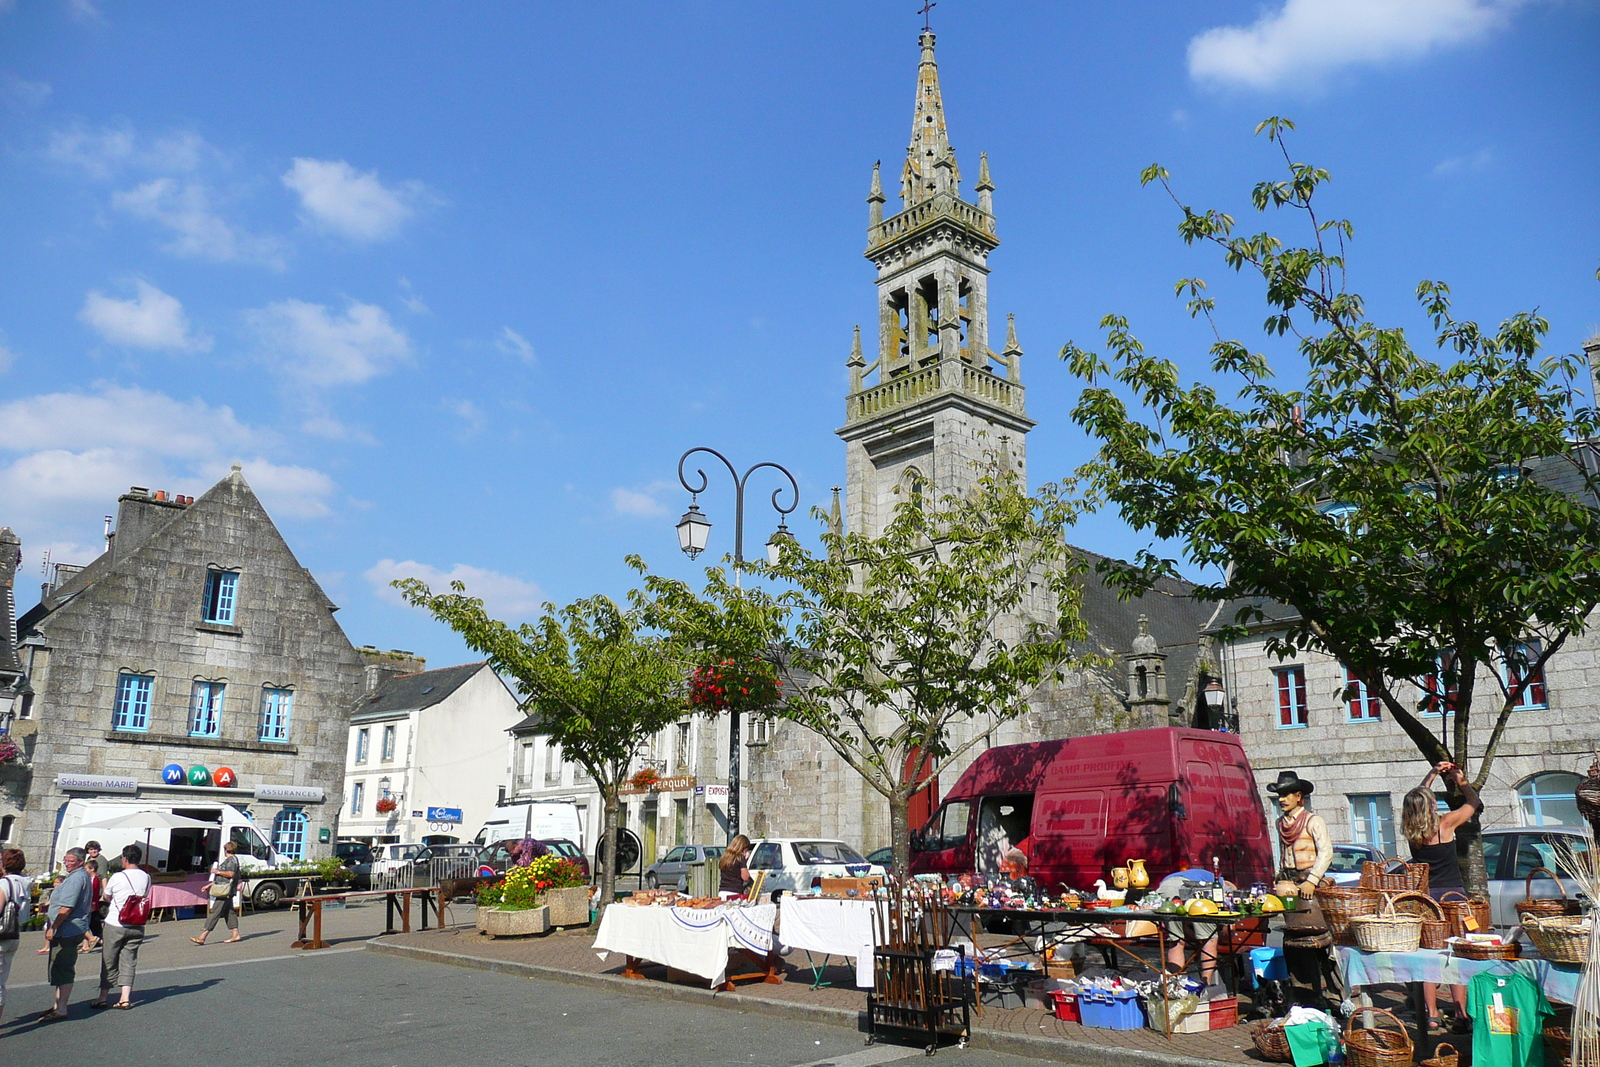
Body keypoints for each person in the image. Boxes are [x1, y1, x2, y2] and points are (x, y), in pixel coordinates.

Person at [1404, 761, 1483, 1032]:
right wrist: (1460, 781)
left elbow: (1417, 796)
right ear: (1431, 805)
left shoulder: (1411, 830)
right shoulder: (1445, 824)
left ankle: (1433, 1014)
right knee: (1455, 954)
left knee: (1430, 955)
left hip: (1426, 900)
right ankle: (1460, 1015)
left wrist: (1434, 773)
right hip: (1453, 896)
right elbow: (1474, 802)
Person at [1266, 770, 1337, 1009]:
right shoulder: (1280, 823)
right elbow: (1284, 855)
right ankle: (1302, 996)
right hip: (1289, 886)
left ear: (1299, 796)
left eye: (1286, 794)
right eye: (1280, 795)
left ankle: (1333, 994)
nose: (1282, 799)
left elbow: (1326, 852)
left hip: (1309, 885)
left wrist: (1313, 880)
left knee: (1316, 941)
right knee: (1292, 942)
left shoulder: (1313, 821)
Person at [1155, 863, 1238, 987]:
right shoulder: (1218, 881)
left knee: (1177, 940)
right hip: (1190, 890)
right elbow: (1227, 893)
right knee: (1208, 940)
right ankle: (1206, 986)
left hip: (1165, 889)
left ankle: (1175, 985)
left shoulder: (1195, 874)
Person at [94, 844, 152, 1010]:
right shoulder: (146, 877)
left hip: (116, 923)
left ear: (125, 859)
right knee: (129, 960)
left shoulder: (118, 877)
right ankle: (125, 998)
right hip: (137, 923)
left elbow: (107, 895)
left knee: (109, 960)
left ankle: (103, 996)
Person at [41, 845, 94, 1021]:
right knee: (58, 967)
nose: (67, 864)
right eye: (65, 860)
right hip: (70, 929)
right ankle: (58, 1004)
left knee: (63, 967)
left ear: (80, 862)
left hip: (68, 930)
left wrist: (53, 926)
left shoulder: (77, 878)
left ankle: (62, 1007)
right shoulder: (78, 876)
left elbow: (67, 908)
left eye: (71, 861)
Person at [0, 847, 32, 1027]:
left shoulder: (4, 883)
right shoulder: (24, 882)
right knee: (1, 980)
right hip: (13, 934)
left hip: (1, 935)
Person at [190, 840, 243, 945]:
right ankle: (235, 934)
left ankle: (203, 936)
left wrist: (217, 871)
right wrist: (209, 885)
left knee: (215, 912)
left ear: (226, 850)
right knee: (229, 912)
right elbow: (223, 878)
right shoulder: (232, 860)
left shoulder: (231, 860)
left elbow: (231, 874)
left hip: (225, 890)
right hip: (226, 889)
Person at [83, 840, 108, 951]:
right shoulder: (89, 859)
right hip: (90, 888)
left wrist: (105, 891)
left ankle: (97, 937)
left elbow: (103, 876)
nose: (93, 851)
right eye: (91, 849)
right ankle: (95, 937)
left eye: (95, 849)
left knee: (94, 916)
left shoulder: (100, 860)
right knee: (93, 916)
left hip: (96, 889)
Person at [717, 835, 752, 900]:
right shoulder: (740, 858)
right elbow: (745, 877)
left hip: (722, 892)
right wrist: (744, 862)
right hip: (734, 893)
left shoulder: (725, 857)